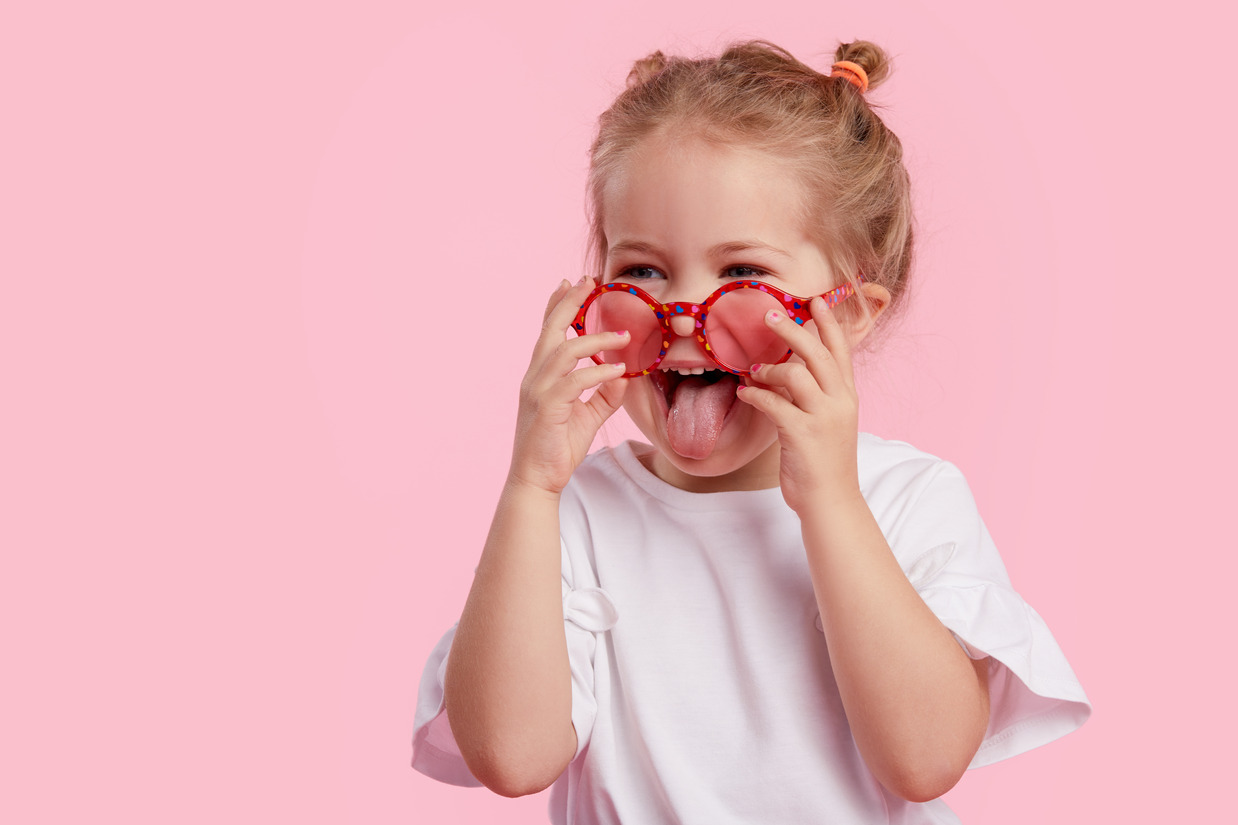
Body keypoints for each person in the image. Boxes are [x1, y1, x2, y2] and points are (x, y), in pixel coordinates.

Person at [410, 38, 1091, 824]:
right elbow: (511, 756)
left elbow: (927, 757)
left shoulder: (909, 500)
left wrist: (831, 500)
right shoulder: (576, 516)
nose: (682, 319)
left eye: (741, 274)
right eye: (641, 272)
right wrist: (530, 487)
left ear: (847, 312)